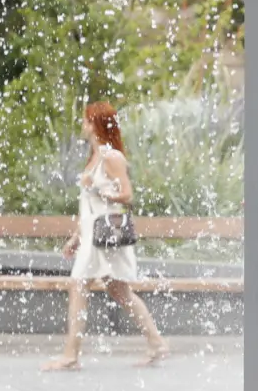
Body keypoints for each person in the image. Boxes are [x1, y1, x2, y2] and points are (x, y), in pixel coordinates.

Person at [42, 102, 168, 371]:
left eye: (86, 120)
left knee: (81, 286)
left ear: (95, 124)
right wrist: (76, 237)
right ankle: (156, 343)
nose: (83, 124)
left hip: (107, 238)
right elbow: (88, 205)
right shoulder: (94, 157)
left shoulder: (112, 157)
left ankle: (71, 355)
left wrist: (101, 191)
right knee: (118, 290)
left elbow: (127, 195)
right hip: (93, 237)